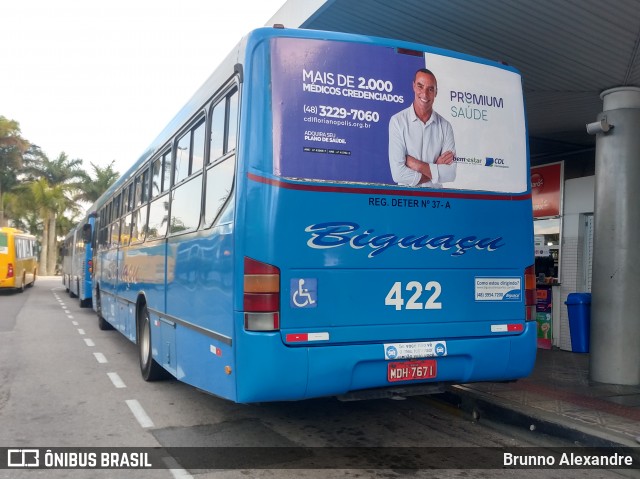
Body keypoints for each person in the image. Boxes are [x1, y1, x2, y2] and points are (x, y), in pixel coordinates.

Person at [388, 68, 456, 187]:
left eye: (430, 89)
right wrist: (435, 168)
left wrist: (417, 165)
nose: (424, 94)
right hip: (406, 201)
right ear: (413, 86)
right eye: (420, 86)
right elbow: (398, 174)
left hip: (435, 202)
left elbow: (450, 173)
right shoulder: (397, 121)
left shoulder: (445, 127)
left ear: (436, 92)